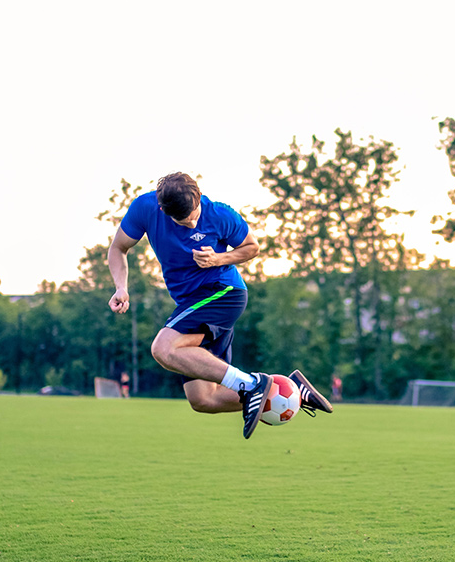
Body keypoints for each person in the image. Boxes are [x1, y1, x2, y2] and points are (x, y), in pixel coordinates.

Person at [108, 172, 332, 439]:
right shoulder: (144, 208)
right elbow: (118, 248)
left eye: (193, 215)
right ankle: (293, 392)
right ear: (162, 209)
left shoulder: (220, 215)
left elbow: (251, 247)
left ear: (199, 197)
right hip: (191, 302)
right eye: (182, 221)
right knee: (204, 400)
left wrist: (219, 258)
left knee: (163, 348)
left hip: (223, 292)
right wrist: (121, 286)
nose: (191, 224)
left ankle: (252, 384)